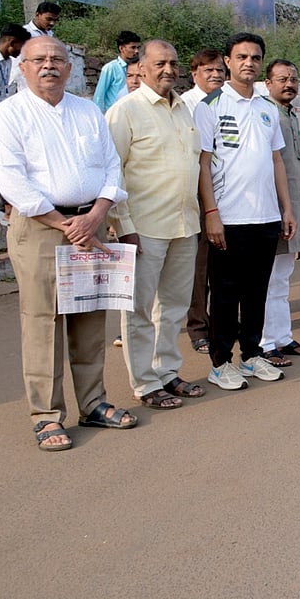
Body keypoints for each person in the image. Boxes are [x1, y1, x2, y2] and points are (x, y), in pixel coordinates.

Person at [0, 35, 136, 450]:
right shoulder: (8, 115)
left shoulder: (88, 111)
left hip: (91, 222)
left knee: (89, 317)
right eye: (39, 59)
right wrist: (61, 222)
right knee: (43, 320)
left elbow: (111, 166)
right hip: (40, 227)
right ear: (23, 67)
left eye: (57, 59)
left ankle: (94, 404)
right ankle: (47, 415)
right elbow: (10, 178)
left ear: (69, 69)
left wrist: (94, 216)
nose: (49, 65)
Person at [105, 40, 205, 410]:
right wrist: (123, 224)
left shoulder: (183, 109)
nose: (168, 69)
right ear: (141, 68)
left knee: (175, 306)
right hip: (142, 226)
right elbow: (111, 171)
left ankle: (167, 372)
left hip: (184, 224)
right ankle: (145, 383)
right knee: (139, 309)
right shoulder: (124, 112)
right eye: (159, 63)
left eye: (173, 63)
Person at [194, 32, 297, 390]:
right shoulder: (209, 107)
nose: (248, 63)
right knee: (224, 295)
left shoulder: (268, 109)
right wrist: (211, 212)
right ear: (228, 61)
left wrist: (286, 208)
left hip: (266, 218)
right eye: (241, 57)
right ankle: (221, 363)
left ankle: (252, 356)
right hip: (229, 219)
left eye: (255, 57)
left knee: (257, 292)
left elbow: (277, 162)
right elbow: (203, 164)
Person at [260, 60, 300, 362]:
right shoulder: (265, 114)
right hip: (275, 208)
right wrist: (283, 209)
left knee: (282, 277)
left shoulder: (293, 114)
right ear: (267, 83)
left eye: (293, 79)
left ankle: (283, 337)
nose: (289, 84)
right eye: (282, 79)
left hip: (293, 206)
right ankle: (267, 343)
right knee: (269, 279)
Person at [181, 49, 226, 353]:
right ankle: (198, 327)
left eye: (220, 70)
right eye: (208, 70)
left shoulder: (231, 102)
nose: (215, 75)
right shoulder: (186, 104)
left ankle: (222, 323)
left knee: (223, 264)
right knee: (198, 267)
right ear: (195, 72)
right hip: (196, 195)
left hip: (229, 195)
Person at [0, 24, 31, 219]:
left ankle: (5, 205)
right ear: (12, 43)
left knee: (8, 158)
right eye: (21, 47)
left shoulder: (8, 62)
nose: (21, 52)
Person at [10, 2, 61, 91]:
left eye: (55, 20)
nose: (52, 23)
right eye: (48, 19)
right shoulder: (25, 33)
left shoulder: (49, 33)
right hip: (24, 79)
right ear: (37, 15)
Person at [93, 31, 143, 113]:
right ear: (121, 48)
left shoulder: (140, 67)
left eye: (138, 47)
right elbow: (99, 96)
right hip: (114, 115)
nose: (137, 51)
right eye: (133, 47)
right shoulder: (110, 68)